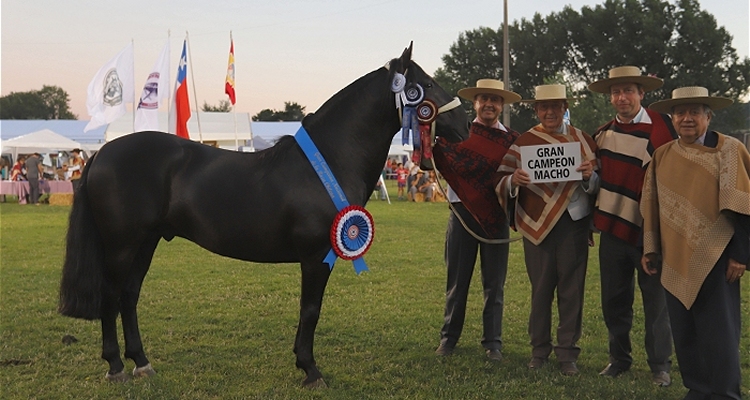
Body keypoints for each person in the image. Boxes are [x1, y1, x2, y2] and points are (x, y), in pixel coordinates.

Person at [641, 86, 750, 399]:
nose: (687, 119)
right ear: (673, 118)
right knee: (684, 329)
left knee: (721, 333)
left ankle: (726, 392)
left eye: (694, 112)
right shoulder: (662, 156)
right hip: (675, 255)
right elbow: (651, 205)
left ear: (708, 115)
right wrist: (650, 249)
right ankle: (698, 389)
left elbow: (743, 205)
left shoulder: (728, 150)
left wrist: (741, 255)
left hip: (720, 256)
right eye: (680, 113)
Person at [495, 84, 598, 375]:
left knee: (572, 290)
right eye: (544, 107)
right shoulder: (524, 141)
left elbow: (597, 186)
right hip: (536, 225)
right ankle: (539, 350)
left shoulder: (583, 140)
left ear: (565, 107)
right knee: (540, 291)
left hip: (573, 224)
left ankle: (568, 354)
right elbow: (501, 179)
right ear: (537, 110)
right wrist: (513, 181)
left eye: (556, 106)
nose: (550, 111)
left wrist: (591, 177)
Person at [587, 66, 676, 386]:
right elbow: (597, 184)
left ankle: (660, 365)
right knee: (614, 299)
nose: (621, 97)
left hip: (653, 232)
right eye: (616, 92)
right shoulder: (602, 135)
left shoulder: (664, 130)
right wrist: (588, 176)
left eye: (628, 91)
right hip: (612, 229)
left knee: (657, 302)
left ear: (642, 94)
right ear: (610, 98)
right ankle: (619, 358)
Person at [431, 79, 521, 361]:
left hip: (496, 217)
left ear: (502, 105)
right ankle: (449, 338)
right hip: (461, 215)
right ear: (475, 103)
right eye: (484, 99)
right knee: (457, 281)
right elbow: (434, 157)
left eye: (495, 100)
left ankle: (493, 342)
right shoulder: (458, 134)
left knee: (494, 284)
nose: (489, 105)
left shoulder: (512, 142)